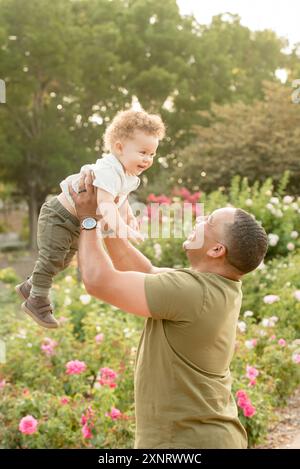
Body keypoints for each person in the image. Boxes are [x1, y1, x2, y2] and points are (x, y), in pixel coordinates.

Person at [67, 171, 268, 449]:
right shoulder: (211, 287)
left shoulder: (192, 292)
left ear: (216, 250)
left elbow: (98, 281)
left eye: (208, 221)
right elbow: (144, 270)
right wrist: (108, 215)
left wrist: (87, 219)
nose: (198, 219)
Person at [15, 109, 165, 329]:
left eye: (152, 154)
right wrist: (122, 228)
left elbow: (118, 199)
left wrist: (129, 215)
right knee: (52, 257)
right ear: (119, 147)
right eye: (143, 152)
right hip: (58, 216)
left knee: (64, 261)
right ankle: (37, 300)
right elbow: (104, 204)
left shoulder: (129, 176)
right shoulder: (108, 169)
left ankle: (30, 285)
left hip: (75, 222)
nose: (147, 159)